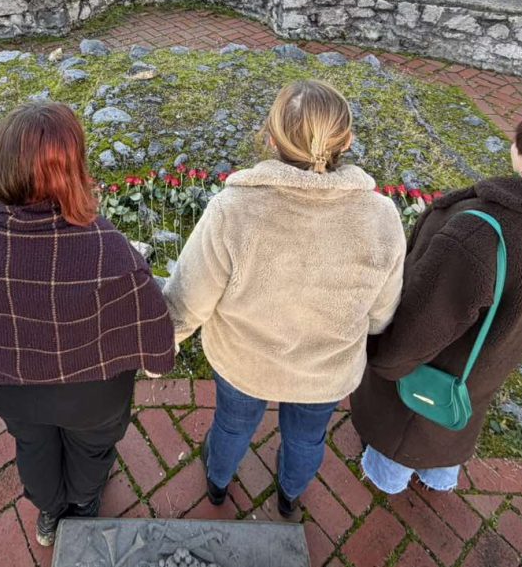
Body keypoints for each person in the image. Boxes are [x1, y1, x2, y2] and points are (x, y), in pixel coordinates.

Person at [0, 103, 173, 548]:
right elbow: (150, 321)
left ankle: (49, 511)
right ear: (74, 169)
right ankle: (83, 504)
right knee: (91, 449)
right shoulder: (106, 247)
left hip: (10, 385)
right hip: (92, 394)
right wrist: (158, 360)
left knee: (32, 445)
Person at [163, 81, 406, 519]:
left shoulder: (232, 209)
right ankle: (290, 495)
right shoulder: (381, 217)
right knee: (307, 439)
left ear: (271, 139)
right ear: (346, 141)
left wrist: (166, 338)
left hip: (244, 362)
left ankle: (218, 484)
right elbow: (380, 315)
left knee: (233, 426)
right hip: (325, 372)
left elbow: (189, 300)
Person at [350, 108, 522, 494]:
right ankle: (439, 476)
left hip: (437, 361)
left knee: (407, 426)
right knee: (454, 418)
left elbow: (425, 320)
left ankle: (385, 479)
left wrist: (384, 359)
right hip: (494, 355)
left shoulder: (478, 233)